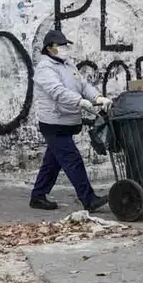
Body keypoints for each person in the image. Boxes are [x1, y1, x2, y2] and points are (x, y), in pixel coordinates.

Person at [29, 29, 112, 212]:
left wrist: (98, 97)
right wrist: (80, 102)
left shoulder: (68, 65)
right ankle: (88, 199)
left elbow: (83, 85)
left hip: (67, 121)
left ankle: (38, 196)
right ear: (49, 48)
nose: (65, 48)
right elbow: (57, 92)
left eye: (66, 45)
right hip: (54, 123)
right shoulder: (45, 69)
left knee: (53, 162)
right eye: (61, 45)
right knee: (72, 159)